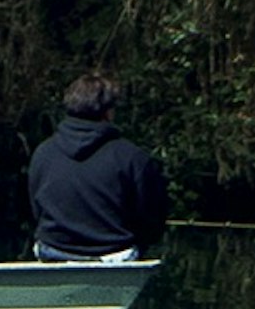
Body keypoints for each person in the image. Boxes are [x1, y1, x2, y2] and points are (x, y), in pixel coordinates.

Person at [26, 71, 167, 260]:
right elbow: (151, 219)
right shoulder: (132, 157)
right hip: (116, 255)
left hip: (53, 252)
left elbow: (35, 210)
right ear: (108, 111)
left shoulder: (43, 152)